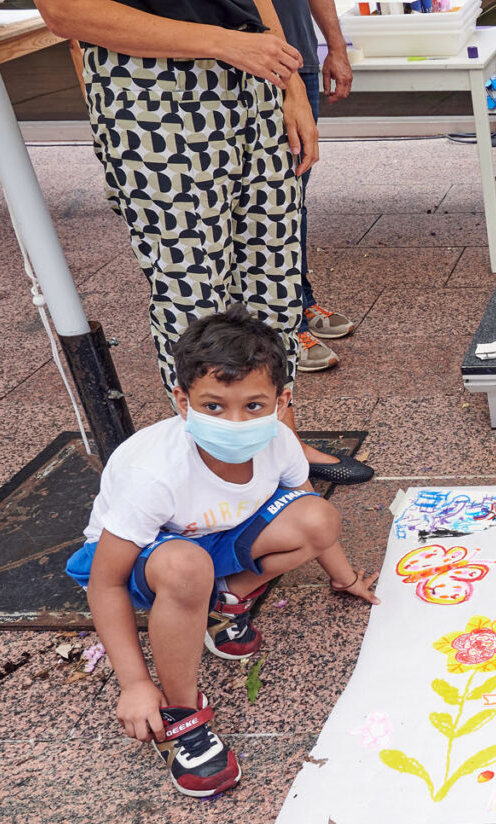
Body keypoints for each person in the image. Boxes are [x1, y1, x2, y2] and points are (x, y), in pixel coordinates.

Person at [24, 0, 346, 475]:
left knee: (274, 272)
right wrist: (223, 42)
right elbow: (65, 8)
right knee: (193, 287)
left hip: (250, 76)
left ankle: (280, 443)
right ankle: (215, 465)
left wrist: (290, 82)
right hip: (150, 91)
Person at [65, 307, 378, 798]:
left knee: (319, 517)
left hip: (216, 538)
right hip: (146, 561)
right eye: (214, 406)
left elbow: (306, 509)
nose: (235, 422)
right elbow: (105, 582)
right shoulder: (154, 473)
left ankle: (223, 602)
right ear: (182, 401)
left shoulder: (281, 442)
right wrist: (134, 683)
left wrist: (344, 578)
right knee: (187, 567)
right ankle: (181, 714)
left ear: (282, 402)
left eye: (253, 406)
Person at [242, 0, 374, 484]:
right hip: (238, 76)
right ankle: (276, 325)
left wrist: (332, 46)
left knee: (288, 201)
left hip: (291, 61)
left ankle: (296, 303)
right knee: (258, 220)